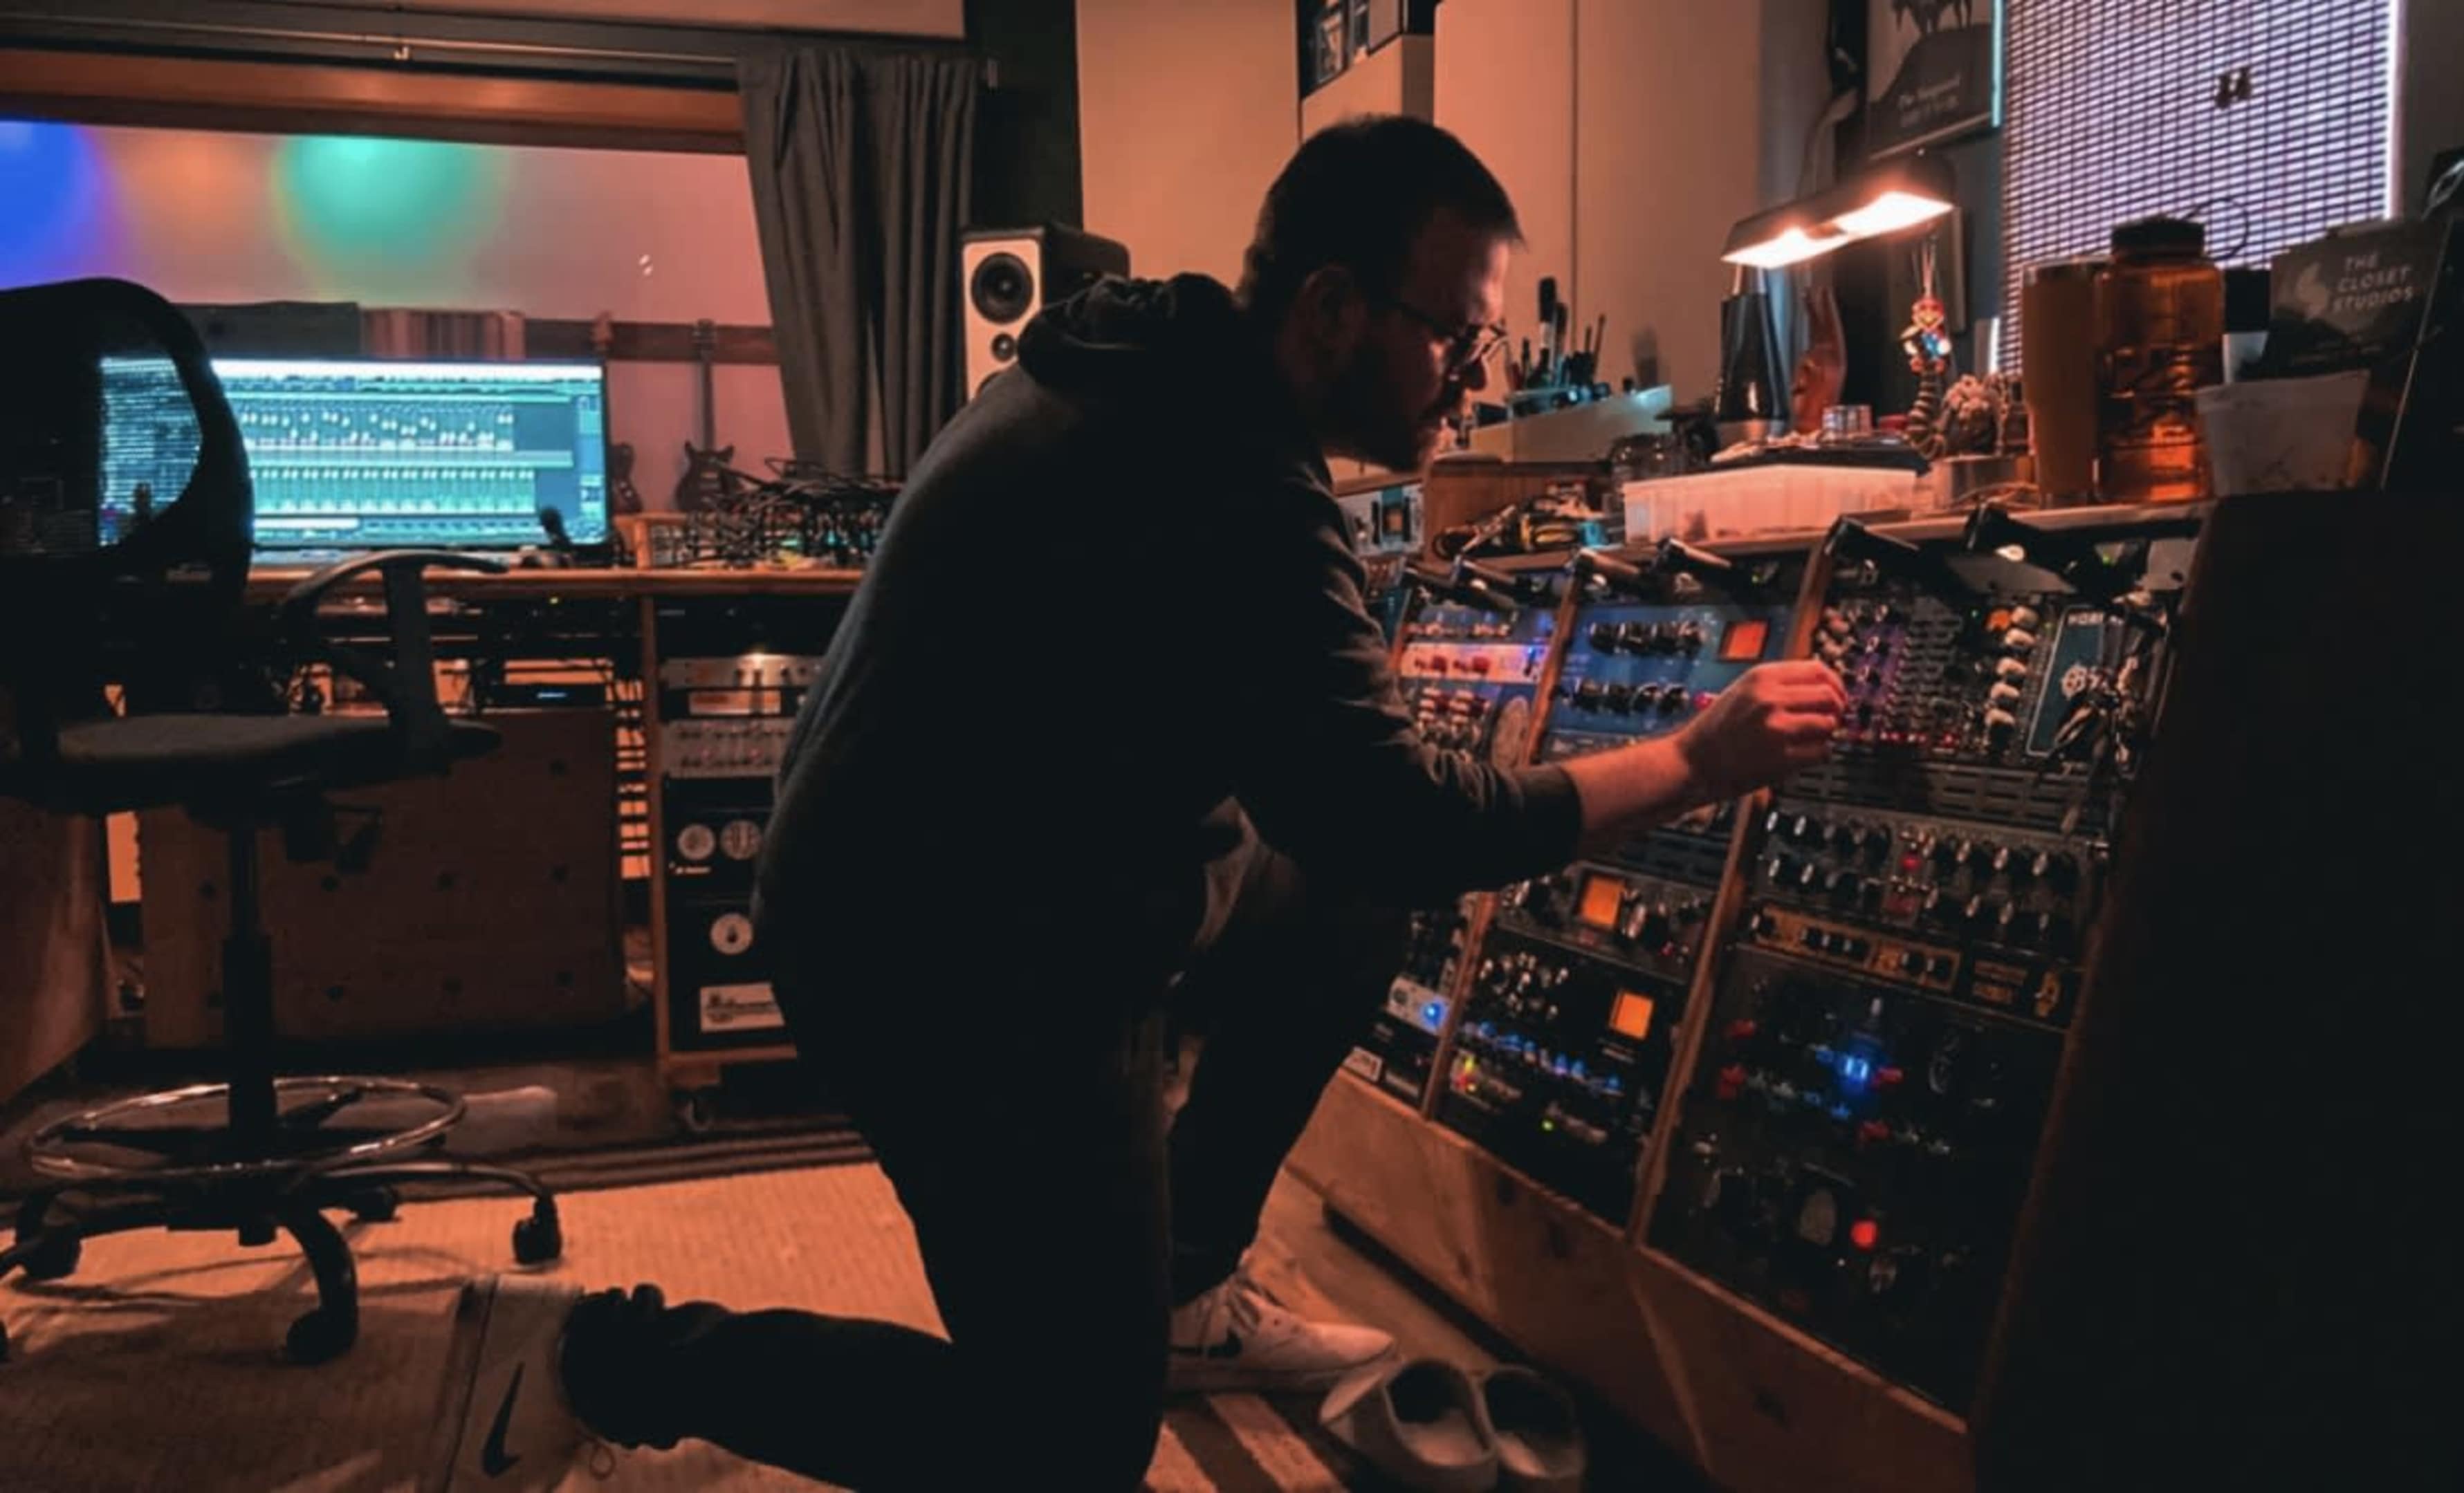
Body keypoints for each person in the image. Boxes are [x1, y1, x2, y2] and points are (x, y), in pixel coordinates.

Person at [425, 114, 1844, 1492]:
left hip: (989, 877)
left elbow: (1313, 805)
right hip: (948, 963)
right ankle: (601, 1360)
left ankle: (1169, 1292)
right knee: (1060, 1450)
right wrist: (1696, 760)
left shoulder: (1140, 364)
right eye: (1453, 336)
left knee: (1342, 906)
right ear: (1335, 308)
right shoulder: (1224, 472)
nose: (1470, 377)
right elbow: (1410, 819)